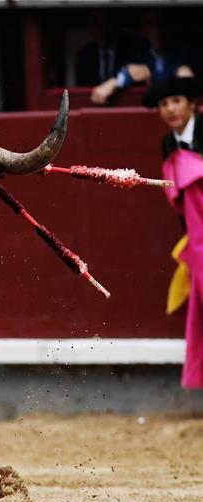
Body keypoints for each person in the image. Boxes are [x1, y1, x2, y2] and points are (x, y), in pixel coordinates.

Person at [142, 76, 203, 389]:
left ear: (193, 104)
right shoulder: (168, 143)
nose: (170, 109)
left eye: (177, 101)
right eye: (164, 104)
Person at [92, 10, 194, 105]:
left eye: (162, 24)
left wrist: (151, 76)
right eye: (150, 24)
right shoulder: (138, 52)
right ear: (143, 30)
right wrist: (116, 82)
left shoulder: (186, 52)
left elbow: (184, 77)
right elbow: (129, 71)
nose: (157, 30)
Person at [75, 9, 132, 87]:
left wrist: (116, 82)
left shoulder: (130, 49)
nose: (101, 28)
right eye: (95, 23)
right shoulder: (84, 55)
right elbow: (81, 89)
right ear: (90, 27)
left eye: (106, 21)